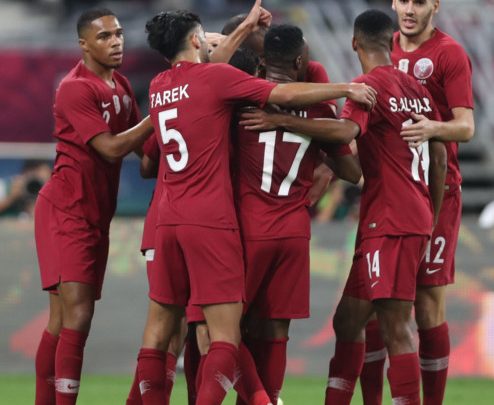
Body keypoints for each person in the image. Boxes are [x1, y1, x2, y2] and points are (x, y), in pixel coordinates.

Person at [131, 4, 376, 404]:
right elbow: (347, 162)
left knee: (186, 330)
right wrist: (345, 92)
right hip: (266, 228)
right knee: (260, 332)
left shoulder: (164, 86)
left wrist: (242, 28)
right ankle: (267, 398)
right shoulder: (293, 102)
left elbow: (147, 163)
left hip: (194, 219)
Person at [234, 24, 361, 405]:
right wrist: (317, 147)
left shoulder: (241, 101)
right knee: (275, 330)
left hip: (246, 228)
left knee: (222, 329)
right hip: (293, 231)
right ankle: (271, 396)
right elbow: (352, 172)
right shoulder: (319, 112)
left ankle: (260, 400)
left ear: (262, 62)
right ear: (300, 62)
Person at [33, 8, 153, 405]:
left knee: (61, 320)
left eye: (118, 34)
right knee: (79, 315)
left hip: (95, 215)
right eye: (104, 37)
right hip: (66, 210)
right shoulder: (75, 88)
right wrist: (160, 114)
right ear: (83, 44)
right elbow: (111, 148)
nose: (116, 42)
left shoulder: (121, 86)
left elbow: (146, 158)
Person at [359, 2, 475, 404]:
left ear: (435, 5)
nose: (410, 9)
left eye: (420, 2)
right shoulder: (381, 46)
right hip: (389, 195)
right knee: (375, 306)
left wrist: (433, 128)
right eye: (404, 1)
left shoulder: (449, 53)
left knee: (426, 307)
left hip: (439, 192)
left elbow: (466, 126)